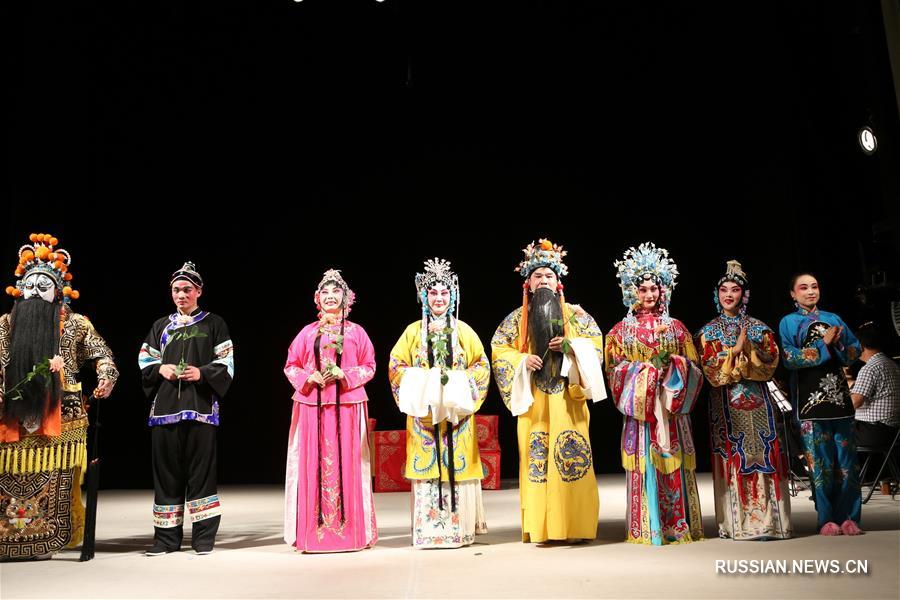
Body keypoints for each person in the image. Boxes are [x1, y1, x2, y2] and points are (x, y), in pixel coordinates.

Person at [0, 233, 118, 560]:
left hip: (62, 416)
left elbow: (102, 354)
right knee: (8, 478)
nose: (35, 291)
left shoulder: (77, 325)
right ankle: (8, 540)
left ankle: (46, 540)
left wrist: (106, 376)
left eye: (44, 285)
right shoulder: (5, 325)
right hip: (10, 415)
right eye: (30, 284)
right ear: (19, 288)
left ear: (58, 293)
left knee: (55, 480)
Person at [491, 239, 606, 543]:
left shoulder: (577, 316)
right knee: (536, 459)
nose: (543, 280)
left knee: (574, 459)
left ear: (559, 283)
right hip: (535, 403)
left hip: (569, 401)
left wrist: (571, 348)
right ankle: (542, 528)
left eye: (549, 276)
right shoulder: (516, 319)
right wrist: (521, 361)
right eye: (538, 275)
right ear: (527, 283)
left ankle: (576, 527)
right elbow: (499, 351)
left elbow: (596, 348)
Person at [605, 242, 704, 545]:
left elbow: (695, 369)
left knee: (674, 463)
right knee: (645, 464)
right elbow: (614, 371)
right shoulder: (620, 331)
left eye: (654, 289)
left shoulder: (677, 328)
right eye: (643, 289)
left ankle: (679, 525)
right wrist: (647, 373)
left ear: (664, 291)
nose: (649, 295)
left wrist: (673, 365)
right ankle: (648, 526)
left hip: (670, 410)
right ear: (630, 292)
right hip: (642, 411)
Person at [388, 258, 490, 548]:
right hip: (425, 415)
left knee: (457, 465)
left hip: (457, 416)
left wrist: (456, 383)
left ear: (453, 296)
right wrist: (425, 381)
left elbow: (481, 367)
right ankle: (429, 531)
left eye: (444, 293)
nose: (439, 299)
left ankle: (460, 531)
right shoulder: (412, 332)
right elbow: (396, 366)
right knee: (428, 466)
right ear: (424, 296)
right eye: (433, 293)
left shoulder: (464, 331)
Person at [139, 261, 234, 555]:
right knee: (166, 475)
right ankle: (166, 540)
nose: (181, 295)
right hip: (165, 410)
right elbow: (145, 361)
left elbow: (227, 363)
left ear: (199, 292)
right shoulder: (160, 326)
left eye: (187, 290)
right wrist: (161, 369)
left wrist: (202, 373)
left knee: (201, 473)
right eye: (176, 290)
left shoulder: (213, 324)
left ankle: (203, 538)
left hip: (200, 408)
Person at [283, 269, 376, 552]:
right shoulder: (307, 332)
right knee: (312, 465)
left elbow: (370, 366)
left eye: (336, 292)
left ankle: (354, 534)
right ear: (317, 298)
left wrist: (344, 373)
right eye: (325, 292)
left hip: (347, 406)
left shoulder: (357, 332)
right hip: (313, 408)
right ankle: (314, 535)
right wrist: (308, 377)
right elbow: (291, 365)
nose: (330, 296)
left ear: (346, 298)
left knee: (350, 464)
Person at [697, 260, 791, 540]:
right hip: (725, 404)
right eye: (723, 289)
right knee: (733, 456)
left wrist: (746, 348)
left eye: (735, 289)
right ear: (717, 295)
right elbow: (710, 369)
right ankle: (736, 524)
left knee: (765, 455)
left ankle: (770, 524)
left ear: (744, 294)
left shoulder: (760, 328)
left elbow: (771, 360)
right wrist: (733, 353)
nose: (729, 294)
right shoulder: (708, 331)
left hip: (760, 401)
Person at [779, 272, 862, 536]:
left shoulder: (833, 319)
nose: (810, 292)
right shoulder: (789, 323)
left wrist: (838, 346)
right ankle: (826, 518)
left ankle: (850, 517)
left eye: (814, 286)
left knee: (847, 461)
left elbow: (854, 352)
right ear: (793, 294)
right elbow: (790, 358)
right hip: (810, 404)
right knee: (821, 464)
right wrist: (822, 344)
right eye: (803, 288)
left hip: (839, 401)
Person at [850, 322, 899, 448]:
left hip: (873, 432)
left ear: (860, 346)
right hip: (893, 433)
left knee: (831, 434)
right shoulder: (893, 365)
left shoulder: (870, 368)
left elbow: (855, 402)